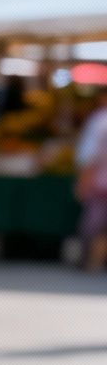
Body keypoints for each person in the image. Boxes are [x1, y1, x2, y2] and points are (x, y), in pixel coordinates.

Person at [77, 96, 107, 273]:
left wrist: (84, 182)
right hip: (101, 183)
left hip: (101, 184)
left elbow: (89, 156)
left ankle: (90, 261)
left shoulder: (99, 122)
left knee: (93, 225)